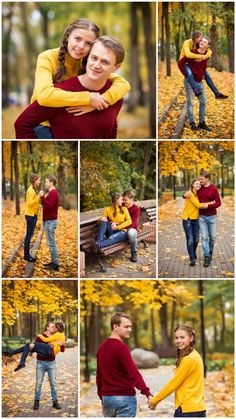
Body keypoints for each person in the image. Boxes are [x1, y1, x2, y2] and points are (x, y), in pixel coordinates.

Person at [18, 19, 130, 139]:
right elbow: (44, 96)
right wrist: (88, 98)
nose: (81, 46)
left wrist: (102, 100)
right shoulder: (48, 57)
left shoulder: (89, 63)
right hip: (43, 125)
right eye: (77, 39)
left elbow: (122, 84)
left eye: (88, 43)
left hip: (68, 123)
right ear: (67, 37)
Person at [96, 312, 152, 417]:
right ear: (115, 326)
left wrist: (102, 396)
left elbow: (99, 376)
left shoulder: (101, 348)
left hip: (107, 399)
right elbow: (134, 373)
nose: (130, 329)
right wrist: (147, 393)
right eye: (126, 327)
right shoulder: (121, 348)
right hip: (124, 398)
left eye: (130, 327)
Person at [3, 321, 65, 410]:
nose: (54, 328)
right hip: (41, 363)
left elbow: (62, 349)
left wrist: (61, 344)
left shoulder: (56, 336)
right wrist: (31, 348)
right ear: (47, 328)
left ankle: (55, 402)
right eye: (52, 326)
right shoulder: (40, 337)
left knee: (53, 384)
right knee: (38, 383)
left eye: (54, 327)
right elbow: (32, 349)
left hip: (52, 363)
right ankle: (36, 402)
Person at [148, 325, 206, 417]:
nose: (178, 340)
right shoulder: (196, 355)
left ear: (191, 338)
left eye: (182, 337)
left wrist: (154, 400)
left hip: (186, 409)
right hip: (199, 408)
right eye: (176, 338)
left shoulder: (189, 359)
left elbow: (173, 384)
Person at [184, 170, 221, 268]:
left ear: (207, 179)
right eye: (199, 179)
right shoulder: (198, 188)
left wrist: (208, 206)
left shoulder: (213, 189)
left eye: (202, 179)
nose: (200, 181)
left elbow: (218, 203)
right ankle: (207, 256)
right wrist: (184, 195)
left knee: (212, 237)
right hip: (201, 217)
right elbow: (190, 193)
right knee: (204, 237)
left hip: (212, 216)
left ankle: (210, 251)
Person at [179, 29, 228, 99]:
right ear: (196, 37)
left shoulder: (197, 43)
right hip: (184, 63)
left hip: (192, 63)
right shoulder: (187, 42)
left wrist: (204, 57)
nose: (201, 40)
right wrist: (201, 56)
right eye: (200, 38)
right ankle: (196, 91)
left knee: (207, 75)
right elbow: (188, 55)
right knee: (189, 74)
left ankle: (217, 93)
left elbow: (209, 51)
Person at [179, 36, 213, 131]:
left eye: (204, 42)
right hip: (190, 82)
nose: (202, 42)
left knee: (203, 102)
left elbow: (204, 67)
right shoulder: (192, 53)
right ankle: (192, 123)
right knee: (190, 103)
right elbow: (180, 63)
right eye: (201, 40)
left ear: (207, 46)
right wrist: (186, 74)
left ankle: (202, 123)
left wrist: (201, 71)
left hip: (199, 81)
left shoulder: (207, 54)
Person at [40, 175, 59, 271]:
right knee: (50, 242)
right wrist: (42, 198)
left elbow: (50, 207)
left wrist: (43, 197)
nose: (45, 183)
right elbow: (44, 205)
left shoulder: (53, 193)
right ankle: (53, 262)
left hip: (51, 221)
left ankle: (55, 264)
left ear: (52, 183)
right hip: (48, 221)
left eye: (46, 182)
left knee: (51, 243)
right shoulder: (50, 193)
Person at [24, 173, 41, 262]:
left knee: (30, 234)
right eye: (38, 180)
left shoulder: (33, 189)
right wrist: (39, 197)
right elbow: (29, 203)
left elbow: (34, 203)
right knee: (28, 235)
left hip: (33, 214)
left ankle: (27, 254)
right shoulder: (30, 190)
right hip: (30, 215)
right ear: (34, 181)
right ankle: (26, 256)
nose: (39, 182)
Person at [123, 190, 140, 263]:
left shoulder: (136, 209)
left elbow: (133, 224)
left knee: (131, 233)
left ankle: (134, 252)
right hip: (122, 229)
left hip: (132, 229)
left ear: (131, 199)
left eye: (125, 200)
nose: (124, 201)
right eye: (123, 199)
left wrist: (120, 226)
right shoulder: (122, 206)